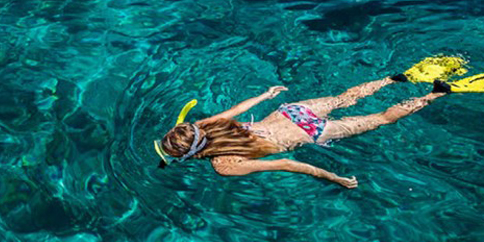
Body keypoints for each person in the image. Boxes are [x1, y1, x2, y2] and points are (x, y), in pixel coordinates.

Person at [155, 77, 448, 189]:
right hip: (291, 111)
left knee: (382, 118)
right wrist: (265, 95)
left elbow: (287, 164)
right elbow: (233, 111)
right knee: (344, 97)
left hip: (312, 131)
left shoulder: (224, 166)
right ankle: (393, 78)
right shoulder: (205, 125)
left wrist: (336, 179)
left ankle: (435, 95)